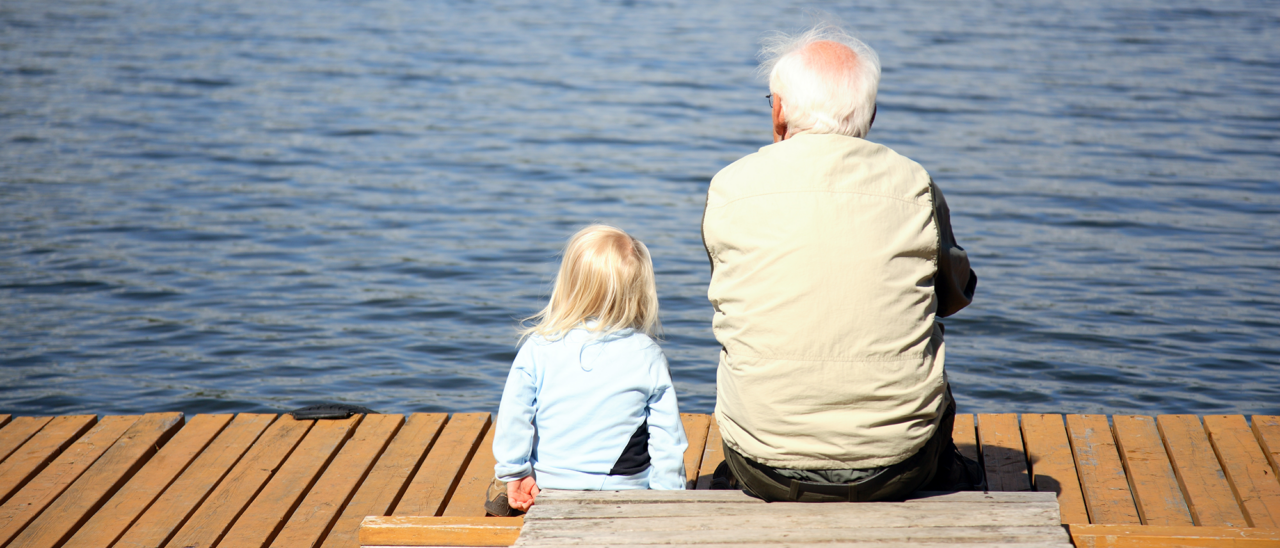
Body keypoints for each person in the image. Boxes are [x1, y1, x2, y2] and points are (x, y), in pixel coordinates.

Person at [701, 22, 981, 502]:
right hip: (899, 466)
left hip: (761, 463)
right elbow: (954, 296)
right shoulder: (913, 183)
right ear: (869, 112)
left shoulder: (730, 187)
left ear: (781, 111)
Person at [487, 224, 688, 516]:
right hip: (626, 490)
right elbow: (666, 439)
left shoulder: (539, 346)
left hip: (548, 486)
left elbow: (514, 417)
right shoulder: (649, 355)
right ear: (639, 292)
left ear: (570, 283)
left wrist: (514, 473)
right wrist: (667, 499)